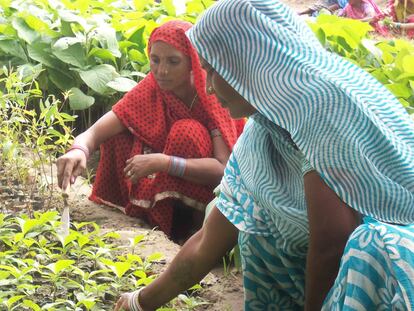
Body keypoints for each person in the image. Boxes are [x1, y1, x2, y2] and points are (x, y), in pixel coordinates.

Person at [114, 0, 414, 310]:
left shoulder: (320, 103)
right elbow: (209, 240)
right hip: (348, 256)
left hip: (400, 260)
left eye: (214, 71)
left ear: (249, 62)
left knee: (372, 249)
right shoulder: (266, 128)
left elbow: (332, 242)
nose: (209, 88)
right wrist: (139, 301)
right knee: (257, 231)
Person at [56, 20, 244, 240]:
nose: (162, 70)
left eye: (173, 62)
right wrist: (79, 149)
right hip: (169, 169)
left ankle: (192, 227)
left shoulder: (209, 92)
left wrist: (163, 162)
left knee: (187, 132)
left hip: (211, 190)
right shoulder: (154, 85)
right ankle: (152, 218)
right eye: (155, 60)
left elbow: (224, 170)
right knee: (120, 133)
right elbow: (98, 131)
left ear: (192, 61)